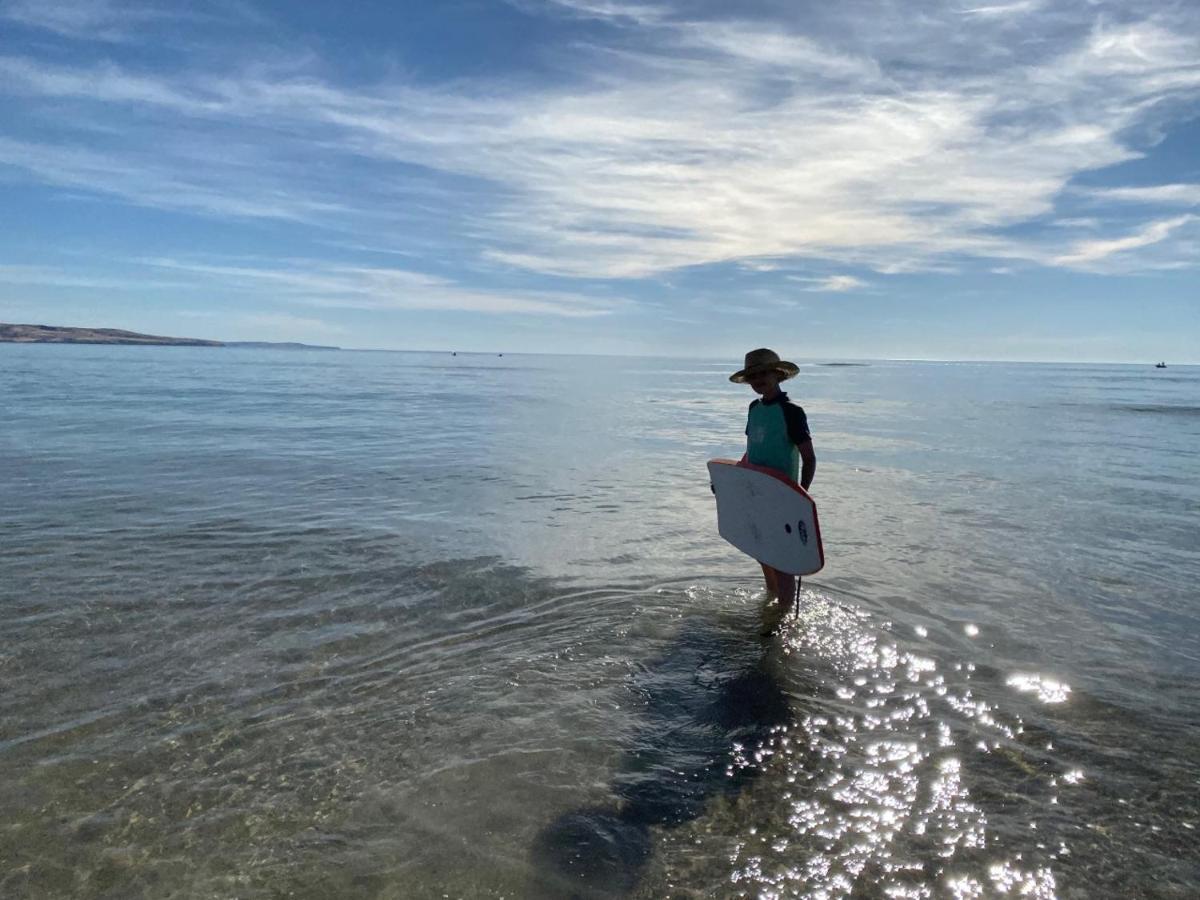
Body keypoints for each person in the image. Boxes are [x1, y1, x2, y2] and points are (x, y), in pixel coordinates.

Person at [729, 348, 817, 633]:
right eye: (752, 376)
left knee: (782, 559)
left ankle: (782, 616)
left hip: (782, 496)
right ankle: (772, 597)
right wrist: (733, 483)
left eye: (763, 373)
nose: (758, 380)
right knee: (762, 550)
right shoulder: (754, 409)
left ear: (778, 374)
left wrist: (800, 495)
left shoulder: (792, 412)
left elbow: (809, 457)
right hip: (757, 492)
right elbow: (751, 450)